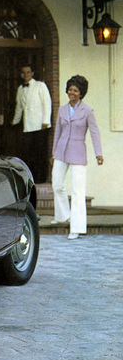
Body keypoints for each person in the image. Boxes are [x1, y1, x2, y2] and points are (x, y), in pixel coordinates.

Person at [51, 75, 104, 240]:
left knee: (77, 190)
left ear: (81, 93)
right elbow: (57, 132)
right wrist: (54, 153)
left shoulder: (87, 111)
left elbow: (94, 133)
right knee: (57, 184)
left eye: (75, 90)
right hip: (61, 151)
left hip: (78, 152)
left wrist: (98, 153)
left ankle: (77, 227)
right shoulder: (62, 109)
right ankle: (62, 216)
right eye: (70, 89)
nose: (71, 93)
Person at [11, 65, 52, 183]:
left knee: (40, 153)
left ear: (32, 73)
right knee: (28, 153)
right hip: (27, 126)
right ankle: (30, 179)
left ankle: (40, 179)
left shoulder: (40, 85)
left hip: (40, 125)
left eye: (28, 72)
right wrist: (14, 122)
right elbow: (19, 107)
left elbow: (47, 103)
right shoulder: (20, 89)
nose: (26, 75)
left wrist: (46, 121)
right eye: (23, 72)